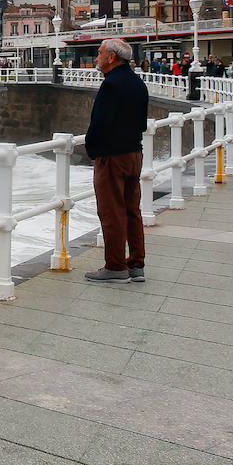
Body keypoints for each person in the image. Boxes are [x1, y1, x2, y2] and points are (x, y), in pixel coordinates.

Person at [83, 38, 149, 283]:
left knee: (111, 212)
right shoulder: (137, 83)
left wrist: (92, 149)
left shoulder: (111, 85)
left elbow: (99, 123)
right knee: (132, 210)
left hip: (112, 156)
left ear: (112, 57)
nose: (96, 59)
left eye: (99, 54)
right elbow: (141, 122)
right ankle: (136, 264)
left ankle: (115, 266)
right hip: (134, 154)